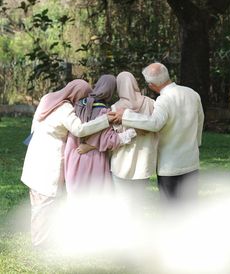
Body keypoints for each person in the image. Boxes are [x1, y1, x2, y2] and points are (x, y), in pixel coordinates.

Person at [21, 79, 113, 247]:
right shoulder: (66, 109)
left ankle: (42, 237)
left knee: (38, 197)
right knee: (45, 201)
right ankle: (40, 242)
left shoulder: (48, 98)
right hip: (50, 155)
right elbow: (80, 129)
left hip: (36, 150)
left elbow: (34, 124)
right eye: (83, 96)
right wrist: (105, 120)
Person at [109, 63, 204, 203]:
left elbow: (154, 124)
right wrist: (197, 143)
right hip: (191, 161)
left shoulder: (164, 99)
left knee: (170, 211)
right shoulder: (192, 93)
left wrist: (126, 115)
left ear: (151, 84)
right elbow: (200, 121)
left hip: (170, 165)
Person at [64, 74, 137, 197]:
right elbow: (109, 141)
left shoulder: (77, 104)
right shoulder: (104, 112)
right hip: (93, 161)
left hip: (73, 156)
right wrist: (132, 132)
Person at [110, 71, 158, 206]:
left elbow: (115, 138)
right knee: (138, 205)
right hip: (143, 162)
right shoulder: (151, 103)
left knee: (122, 205)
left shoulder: (115, 108)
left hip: (121, 163)